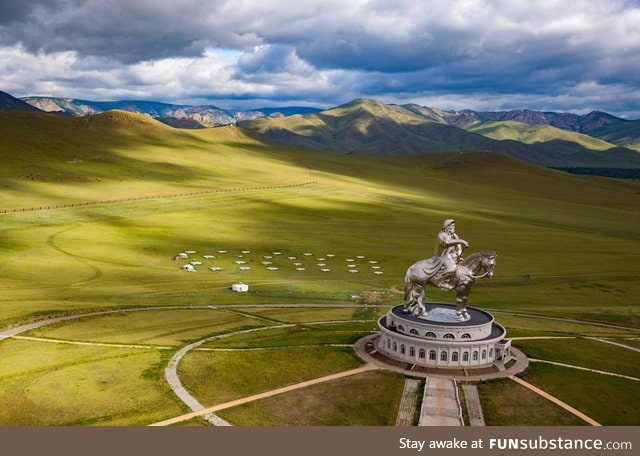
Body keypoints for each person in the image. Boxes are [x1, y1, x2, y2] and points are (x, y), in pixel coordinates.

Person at [433, 219, 468, 290]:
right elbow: (447, 243)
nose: (453, 227)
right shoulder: (442, 235)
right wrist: (461, 241)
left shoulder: (454, 235)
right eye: (451, 226)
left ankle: (453, 282)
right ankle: (439, 280)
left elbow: (458, 246)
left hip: (452, 255)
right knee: (452, 268)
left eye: (454, 226)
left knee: (462, 268)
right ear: (447, 227)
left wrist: (459, 253)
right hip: (443, 255)